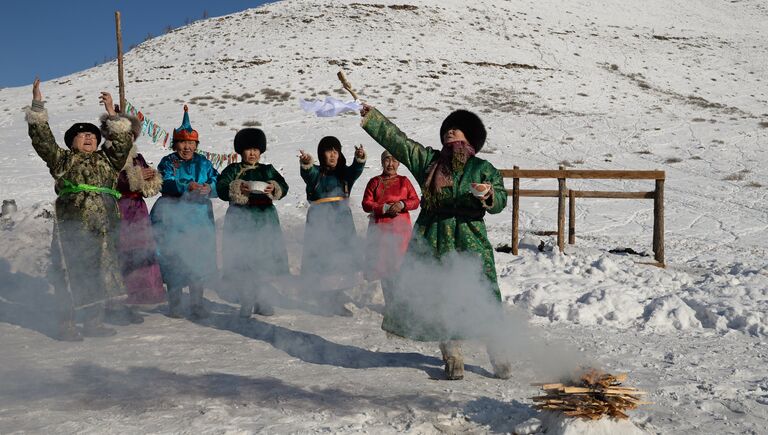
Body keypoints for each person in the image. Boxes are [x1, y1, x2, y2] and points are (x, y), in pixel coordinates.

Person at [360, 104, 512, 380]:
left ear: (470, 137)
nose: (449, 131)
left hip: (471, 238)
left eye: (456, 128)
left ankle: (498, 349)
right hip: (433, 236)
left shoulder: (482, 168)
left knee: (485, 292)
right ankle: (452, 354)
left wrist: (489, 195)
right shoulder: (429, 162)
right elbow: (399, 142)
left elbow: (500, 200)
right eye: (446, 129)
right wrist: (374, 118)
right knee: (441, 295)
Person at [25, 78, 138, 341]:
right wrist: (37, 105)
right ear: (71, 141)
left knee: (99, 271)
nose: (88, 137)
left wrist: (113, 115)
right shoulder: (62, 159)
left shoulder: (108, 160)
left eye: (92, 135)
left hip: (104, 226)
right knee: (69, 271)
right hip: (72, 225)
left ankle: (94, 323)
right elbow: (42, 140)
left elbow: (121, 144)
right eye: (82, 134)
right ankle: (66, 324)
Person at [150, 106, 218, 319]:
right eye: (182, 142)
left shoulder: (204, 162)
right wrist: (186, 186)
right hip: (172, 216)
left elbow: (217, 180)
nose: (187, 147)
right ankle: (175, 304)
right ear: (175, 143)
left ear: (196, 145)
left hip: (198, 217)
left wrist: (210, 188)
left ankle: (197, 304)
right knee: (174, 257)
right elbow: (165, 182)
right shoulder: (169, 161)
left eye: (191, 143)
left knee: (198, 258)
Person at [217, 128, 290, 318]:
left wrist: (274, 187)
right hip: (240, 221)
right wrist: (236, 187)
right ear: (240, 151)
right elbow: (222, 188)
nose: (252, 153)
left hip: (265, 220)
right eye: (248, 149)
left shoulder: (267, 170)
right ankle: (246, 300)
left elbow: (284, 186)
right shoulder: (233, 170)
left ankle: (262, 300)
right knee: (244, 263)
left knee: (263, 263)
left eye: (256, 149)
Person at [299, 136, 366, 316]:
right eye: (329, 151)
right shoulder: (316, 173)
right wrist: (306, 163)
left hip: (342, 221)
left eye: (336, 151)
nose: (333, 155)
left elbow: (356, 170)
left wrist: (359, 158)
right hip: (320, 219)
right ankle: (324, 299)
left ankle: (335, 299)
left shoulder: (344, 174)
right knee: (322, 259)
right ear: (322, 154)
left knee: (341, 259)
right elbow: (308, 173)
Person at [361, 151, 419, 307]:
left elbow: (415, 201)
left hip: (401, 232)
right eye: (387, 160)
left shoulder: (404, 181)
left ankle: (404, 305)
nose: (390, 164)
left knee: (402, 267)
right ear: (382, 162)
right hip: (381, 231)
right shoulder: (375, 182)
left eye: (394, 160)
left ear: (399, 163)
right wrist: (383, 207)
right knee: (385, 268)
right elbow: (366, 204)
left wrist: (402, 204)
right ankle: (391, 306)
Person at [114, 137, 165, 314]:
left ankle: (139, 298)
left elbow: (146, 186)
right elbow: (111, 180)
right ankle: (122, 303)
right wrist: (135, 177)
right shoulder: (108, 156)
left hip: (138, 210)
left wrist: (150, 178)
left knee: (141, 253)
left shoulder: (138, 157)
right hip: (118, 208)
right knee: (122, 253)